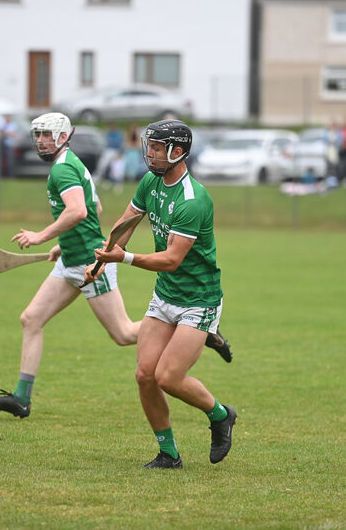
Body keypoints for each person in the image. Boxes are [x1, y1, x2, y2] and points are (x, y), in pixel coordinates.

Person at [0, 113, 231, 421]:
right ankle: (22, 397)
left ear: (61, 137)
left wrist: (43, 237)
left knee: (124, 334)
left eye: (46, 134)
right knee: (31, 319)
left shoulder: (64, 170)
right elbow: (97, 209)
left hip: (90, 259)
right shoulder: (74, 165)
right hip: (75, 258)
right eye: (39, 135)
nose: (41, 140)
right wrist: (67, 244)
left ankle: (198, 331)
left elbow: (79, 210)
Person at [84, 119, 236, 469]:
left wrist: (124, 257)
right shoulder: (151, 182)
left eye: (156, 147)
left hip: (199, 300)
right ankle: (168, 454)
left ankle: (221, 415)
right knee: (145, 375)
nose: (149, 152)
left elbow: (171, 260)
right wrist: (104, 259)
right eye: (149, 146)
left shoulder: (193, 200)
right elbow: (125, 224)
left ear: (177, 152)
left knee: (169, 377)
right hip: (165, 297)